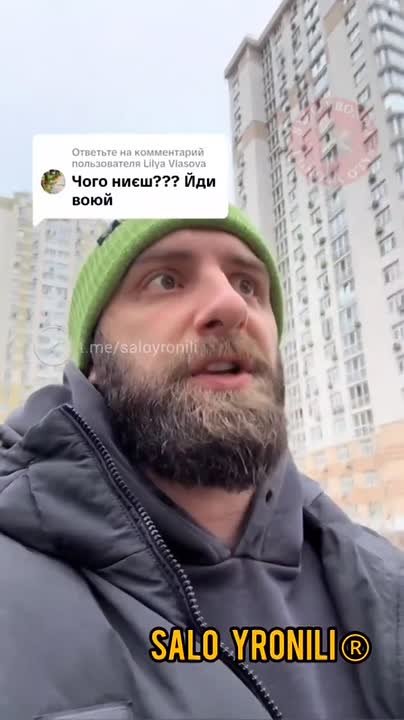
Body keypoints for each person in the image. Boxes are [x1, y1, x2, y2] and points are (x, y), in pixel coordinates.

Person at [0, 205, 402, 720]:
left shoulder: (385, 584)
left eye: (249, 285)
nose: (230, 304)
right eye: (166, 280)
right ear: (95, 360)